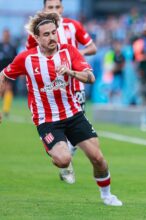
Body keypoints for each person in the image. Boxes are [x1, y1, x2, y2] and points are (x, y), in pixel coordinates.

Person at [0, 12, 122, 206]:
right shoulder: (26, 59)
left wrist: (71, 72)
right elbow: (3, 75)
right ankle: (55, 151)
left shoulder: (69, 52)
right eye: (46, 34)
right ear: (37, 38)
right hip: (46, 120)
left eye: (53, 33)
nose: (51, 38)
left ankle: (107, 195)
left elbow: (91, 78)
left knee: (98, 158)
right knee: (64, 159)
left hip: (73, 114)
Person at [26, 0, 98, 184]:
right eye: (51, 8)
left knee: (77, 126)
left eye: (57, 7)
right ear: (45, 10)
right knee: (59, 126)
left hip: (75, 84)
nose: (55, 11)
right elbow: (29, 60)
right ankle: (63, 159)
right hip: (51, 89)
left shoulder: (73, 26)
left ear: (62, 9)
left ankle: (66, 160)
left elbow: (92, 47)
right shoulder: (37, 34)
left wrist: (75, 59)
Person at [0, 29, 17, 117]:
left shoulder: (13, 48)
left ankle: (6, 110)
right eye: (5, 35)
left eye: (8, 35)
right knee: (1, 90)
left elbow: (15, 61)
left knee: (8, 89)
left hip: (9, 73)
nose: (6, 36)